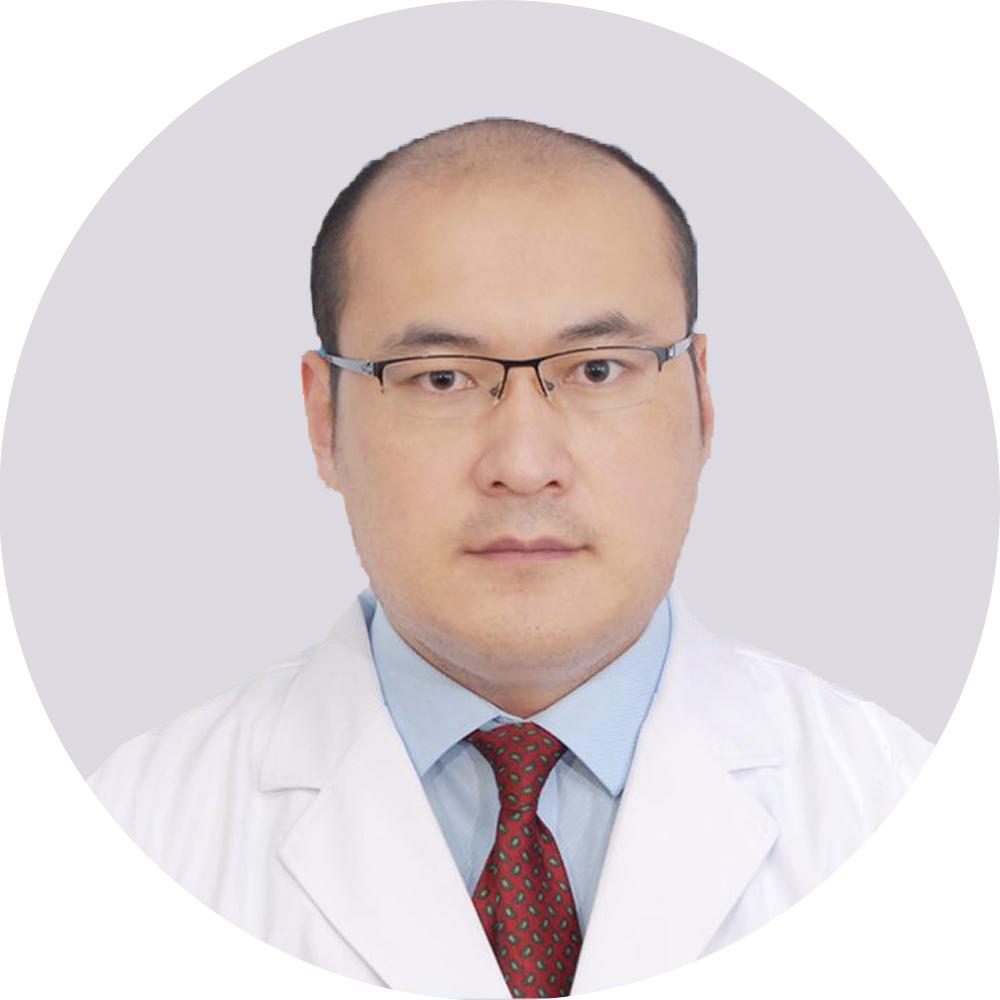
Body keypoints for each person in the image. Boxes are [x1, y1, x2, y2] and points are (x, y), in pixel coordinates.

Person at [87, 118, 933, 998]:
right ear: (324, 420)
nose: (524, 466)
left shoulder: (900, 808)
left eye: (598, 370)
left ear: (702, 400)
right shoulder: (130, 833)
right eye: (440, 378)